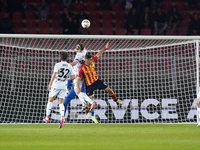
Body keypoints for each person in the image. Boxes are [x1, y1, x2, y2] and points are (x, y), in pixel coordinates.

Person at [76, 42, 124, 108]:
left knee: (109, 90)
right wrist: (78, 89)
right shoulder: (81, 68)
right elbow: (78, 79)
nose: (91, 61)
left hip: (96, 81)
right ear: (86, 61)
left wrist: (105, 48)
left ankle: (116, 100)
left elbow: (98, 54)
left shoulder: (92, 60)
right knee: (90, 102)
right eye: (90, 61)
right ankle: (89, 112)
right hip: (89, 85)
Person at [43, 51, 75, 129]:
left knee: (50, 100)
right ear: (67, 58)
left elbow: (54, 74)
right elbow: (74, 76)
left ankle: (47, 117)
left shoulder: (57, 65)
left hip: (56, 84)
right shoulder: (69, 66)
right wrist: (68, 79)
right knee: (61, 103)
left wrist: (50, 84)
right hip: (64, 86)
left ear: (60, 57)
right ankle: (62, 117)